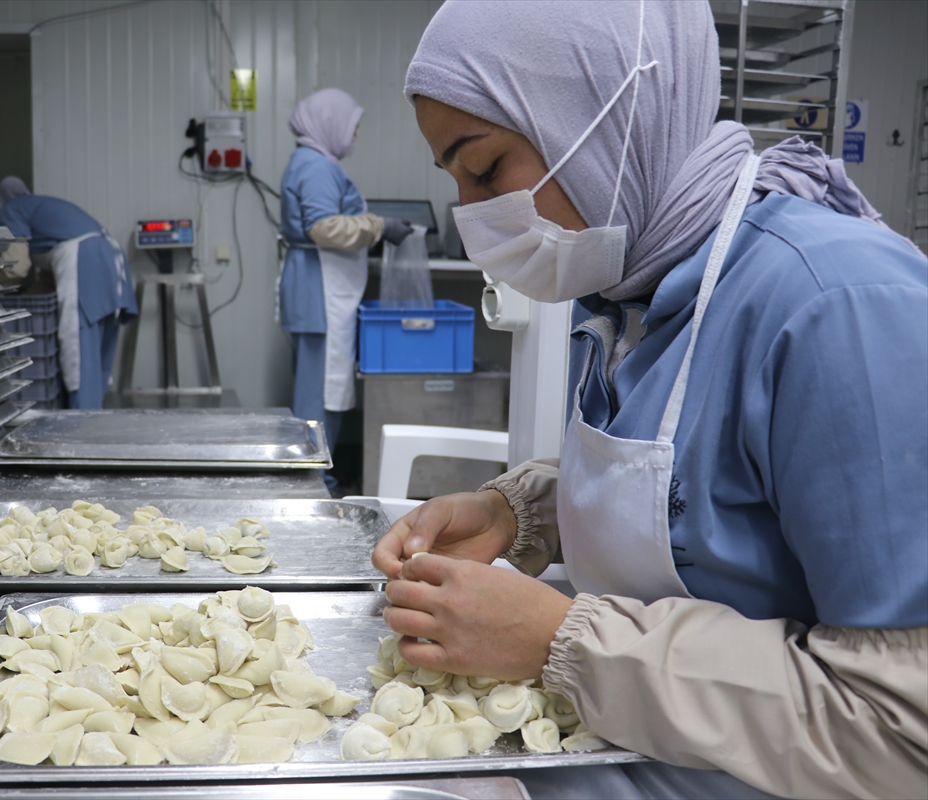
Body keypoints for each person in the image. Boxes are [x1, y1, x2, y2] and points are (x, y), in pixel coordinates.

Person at [373, 2, 927, 798]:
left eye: (486, 169)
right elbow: (712, 504)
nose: (471, 224)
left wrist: (565, 641)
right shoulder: (627, 292)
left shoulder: (841, 309)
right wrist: (521, 514)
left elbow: (902, 732)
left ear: (604, 119)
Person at [278, 88, 414, 490]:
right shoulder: (317, 167)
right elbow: (324, 227)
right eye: (353, 127)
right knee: (321, 391)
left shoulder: (311, 162)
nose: (354, 136)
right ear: (330, 123)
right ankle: (312, 482)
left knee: (319, 386)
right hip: (321, 290)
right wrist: (379, 226)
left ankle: (313, 476)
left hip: (316, 287)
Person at [0, 177, 137, 409]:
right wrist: (28, 299)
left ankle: (83, 418)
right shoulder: (40, 209)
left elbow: (17, 266)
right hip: (111, 255)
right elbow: (48, 280)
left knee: (79, 345)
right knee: (100, 343)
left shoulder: (12, 208)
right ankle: (95, 411)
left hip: (84, 258)